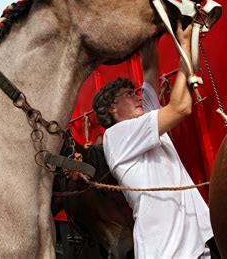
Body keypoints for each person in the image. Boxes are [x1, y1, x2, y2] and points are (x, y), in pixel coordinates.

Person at [92, 23, 219, 258]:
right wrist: (183, 45)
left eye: (135, 92)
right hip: (166, 252)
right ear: (111, 108)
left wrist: (150, 30)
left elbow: (150, 68)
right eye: (129, 95)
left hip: (194, 247)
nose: (137, 96)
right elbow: (181, 107)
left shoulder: (146, 117)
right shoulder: (117, 136)